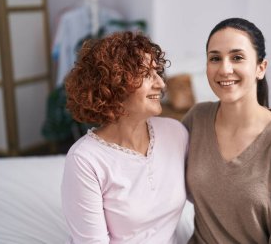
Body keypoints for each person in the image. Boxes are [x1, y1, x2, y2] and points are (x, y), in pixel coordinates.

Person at [182, 18, 271, 243]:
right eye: (215, 58)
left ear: (261, 68)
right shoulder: (197, 118)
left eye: (237, 57)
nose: (224, 69)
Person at [61, 31, 188, 244]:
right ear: (115, 84)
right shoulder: (85, 159)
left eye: (158, 72)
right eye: (147, 74)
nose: (161, 84)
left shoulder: (175, 132)